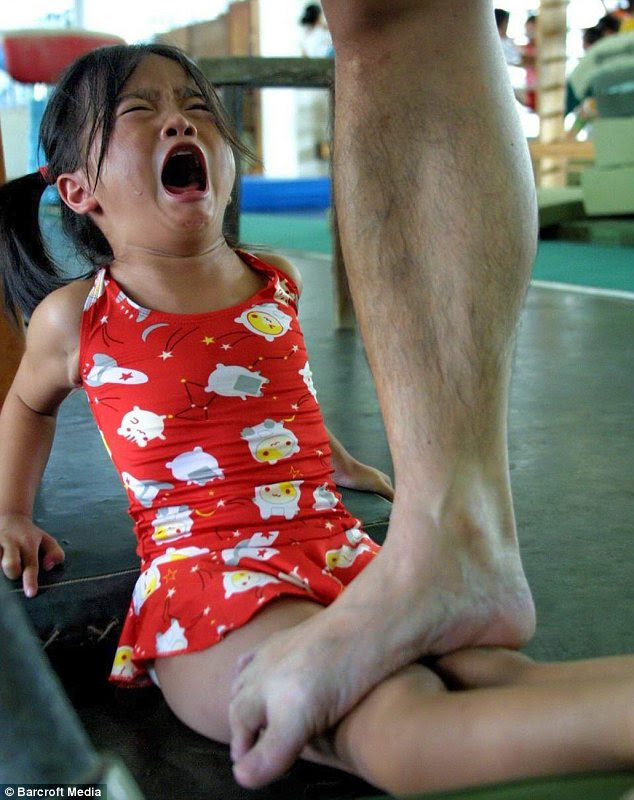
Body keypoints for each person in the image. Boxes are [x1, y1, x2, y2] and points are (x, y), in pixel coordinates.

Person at [1, 39, 634, 798]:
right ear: (78, 192)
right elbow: (27, 406)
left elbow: (273, 396)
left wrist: (323, 452)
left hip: (335, 548)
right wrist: (10, 509)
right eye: (142, 113)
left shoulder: (275, 279)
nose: (180, 125)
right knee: (393, 727)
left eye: (196, 108)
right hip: (209, 582)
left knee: (492, 671)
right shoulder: (79, 319)